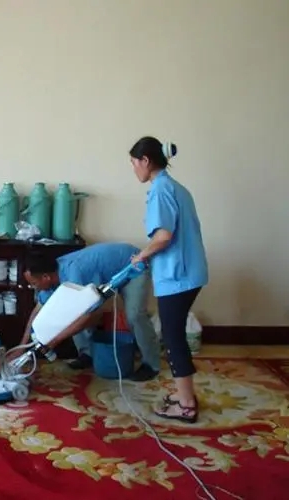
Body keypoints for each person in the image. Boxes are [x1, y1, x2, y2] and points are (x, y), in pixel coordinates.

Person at [128, 136, 208, 423]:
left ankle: (186, 405)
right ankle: (184, 394)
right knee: (175, 336)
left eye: (134, 163)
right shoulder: (177, 187)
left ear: (146, 161)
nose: (134, 169)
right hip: (190, 271)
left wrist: (141, 256)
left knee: (173, 339)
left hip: (177, 276)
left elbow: (163, 236)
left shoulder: (161, 189)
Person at [18, 242, 161, 381]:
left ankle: (151, 365)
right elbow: (37, 312)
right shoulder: (51, 279)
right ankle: (87, 355)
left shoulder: (75, 275)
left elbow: (89, 316)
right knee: (71, 312)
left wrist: (54, 342)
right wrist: (21, 347)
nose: (34, 288)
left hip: (133, 264)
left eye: (34, 284)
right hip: (112, 269)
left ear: (45, 277)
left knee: (135, 315)